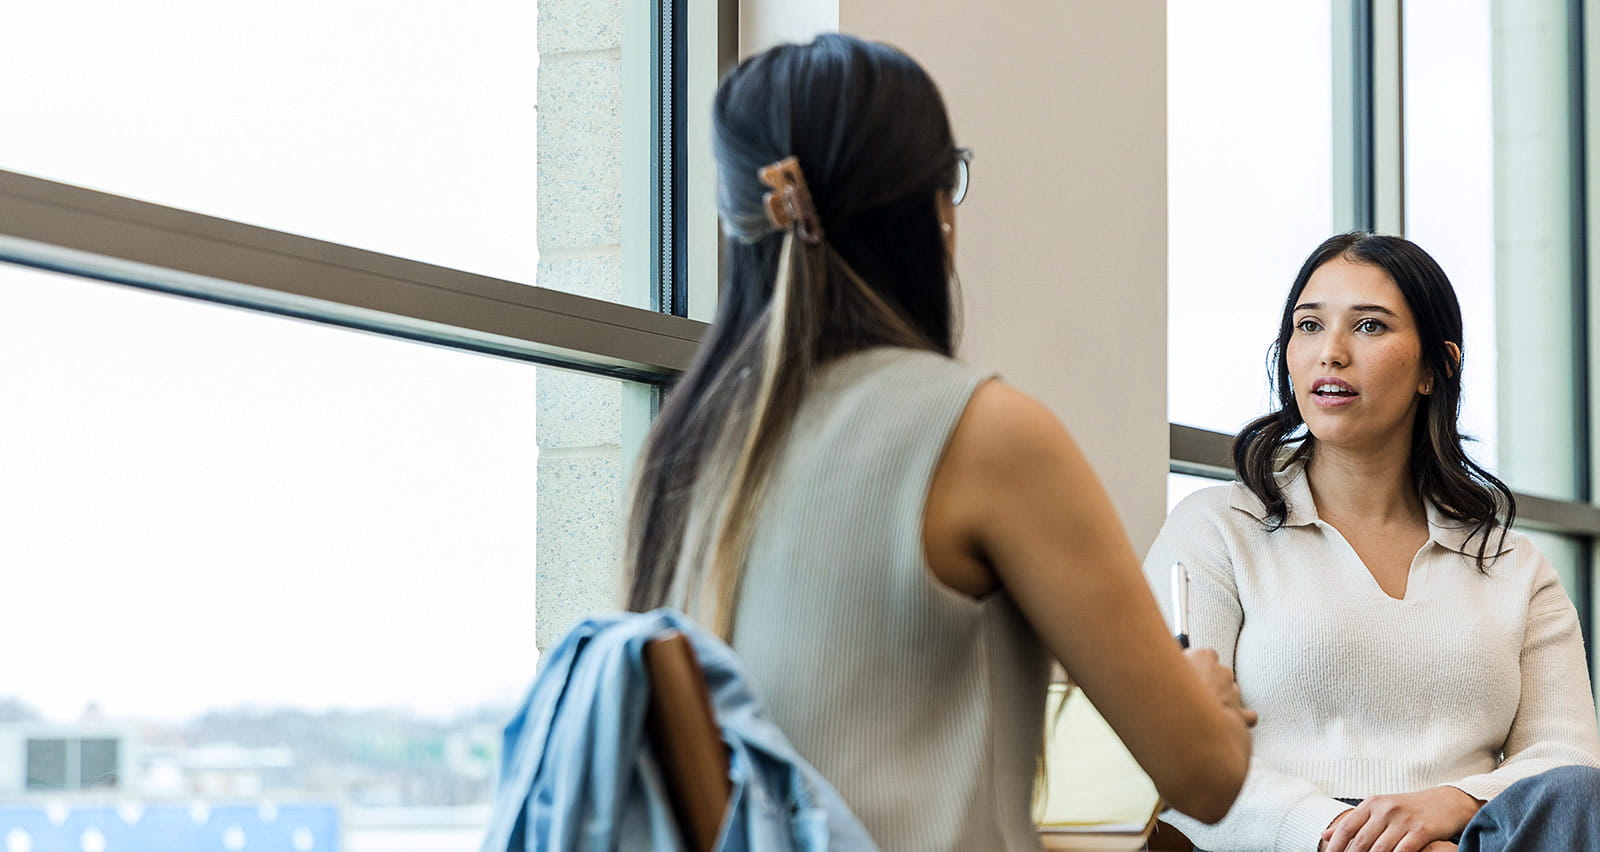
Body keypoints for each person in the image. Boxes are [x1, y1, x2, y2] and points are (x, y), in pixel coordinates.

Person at [620, 33, 1254, 852]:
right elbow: (1204, 775)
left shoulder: (685, 449)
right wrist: (1202, 698)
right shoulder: (984, 433)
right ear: (931, 212)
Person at [1144, 232, 1600, 852]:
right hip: (1292, 842)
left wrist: (1454, 805)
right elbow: (1174, 757)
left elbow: (1565, 761)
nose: (1330, 353)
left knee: (1579, 793)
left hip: (1473, 839)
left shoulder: (1514, 565)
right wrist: (1347, 837)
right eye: (1308, 326)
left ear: (1435, 368)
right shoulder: (1215, 528)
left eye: (1368, 327)